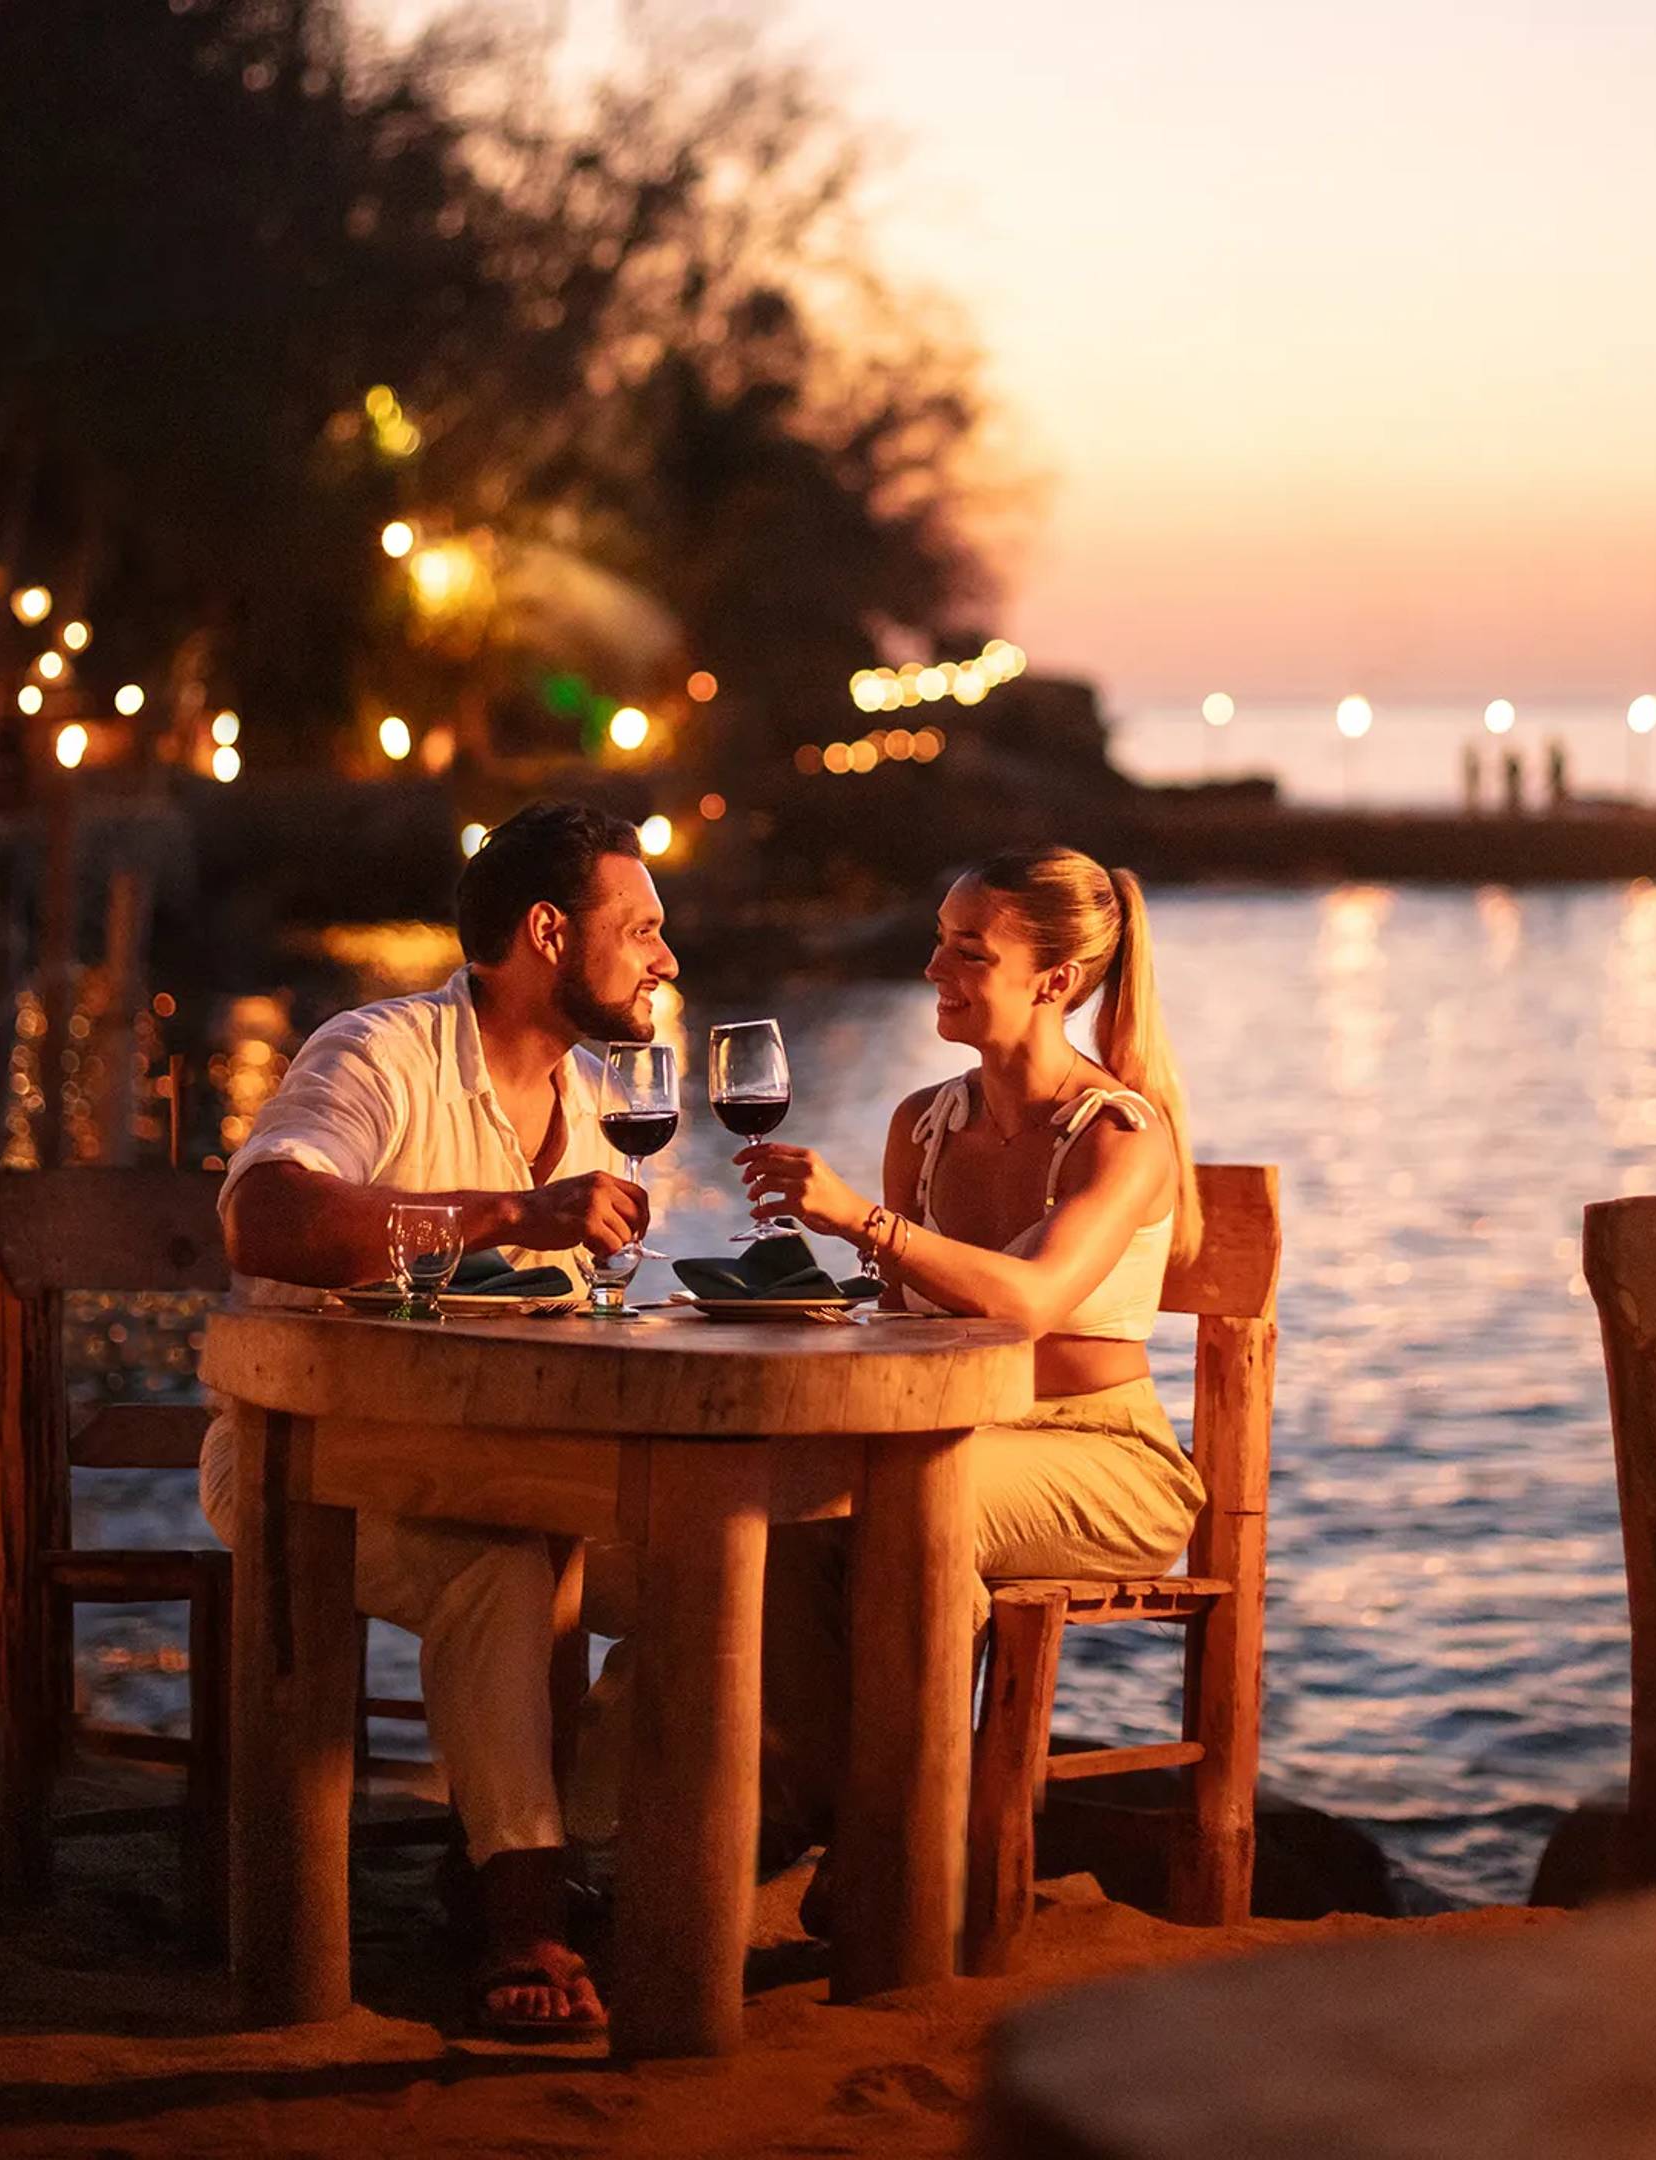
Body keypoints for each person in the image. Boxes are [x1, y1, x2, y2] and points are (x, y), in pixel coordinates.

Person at [207, 799, 674, 2037]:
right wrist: (509, 1217)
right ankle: (522, 1914)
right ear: (544, 931)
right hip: (305, 1463)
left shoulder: (598, 1112)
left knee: (726, 1570)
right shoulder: (381, 1053)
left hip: (506, 1464)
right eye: (640, 929)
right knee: (503, 1575)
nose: (665, 959)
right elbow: (268, 1222)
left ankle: (580, 1848)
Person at [733, 845, 1205, 1880]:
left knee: (919, 1507)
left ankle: (897, 1852)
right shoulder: (926, 1124)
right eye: (938, 945)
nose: (936, 971)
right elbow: (908, 1320)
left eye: (967, 952)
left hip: (1108, 1463)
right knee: (779, 1512)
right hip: (949, 1437)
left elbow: (1031, 1301)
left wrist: (862, 1220)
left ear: (1054, 979)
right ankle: (809, 1812)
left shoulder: (1123, 1135)